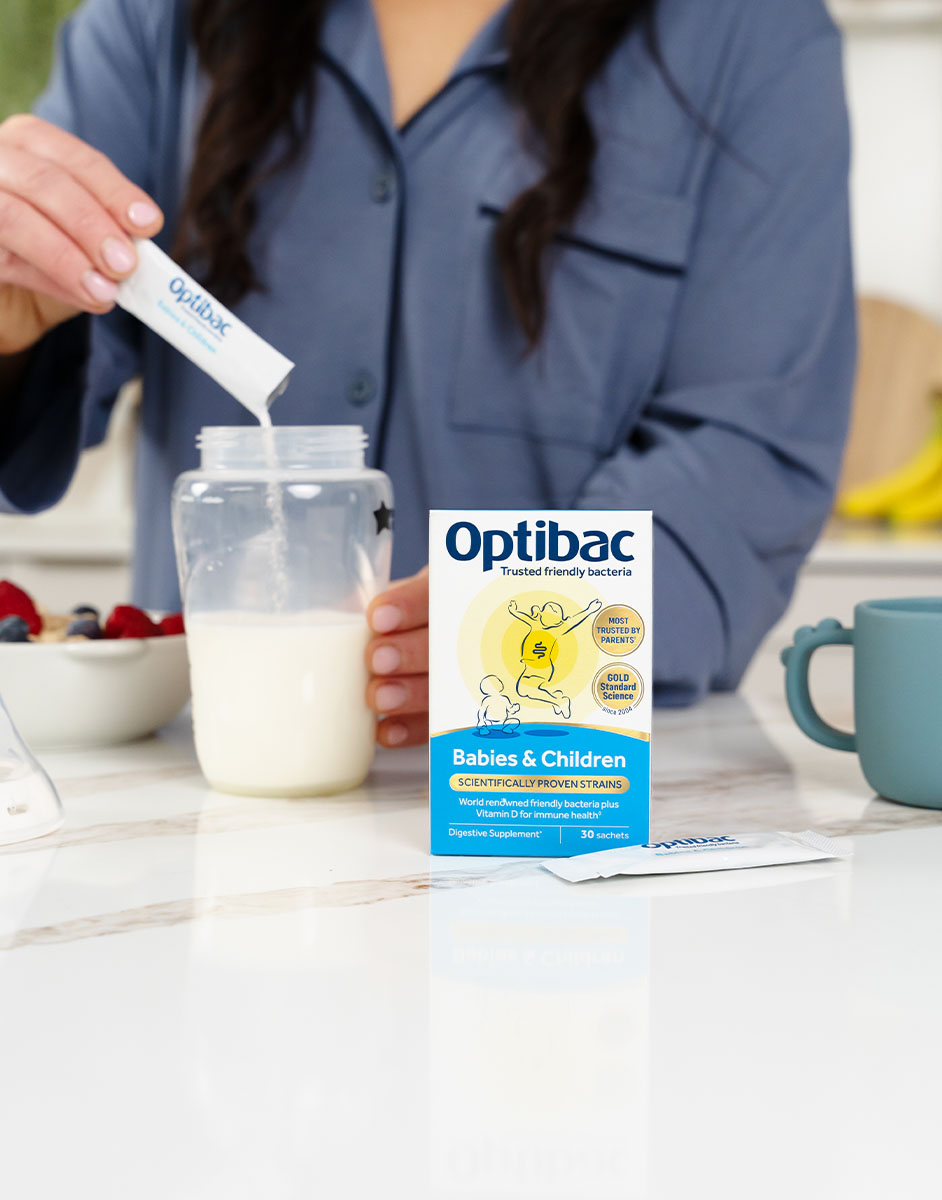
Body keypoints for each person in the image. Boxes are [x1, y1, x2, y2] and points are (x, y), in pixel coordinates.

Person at [0, 0, 855, 749]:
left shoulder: (749, 32)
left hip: (556, 781)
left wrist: (534, 613)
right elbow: (51, 347)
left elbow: (750, 447)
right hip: (209, 781)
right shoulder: (160, 21)